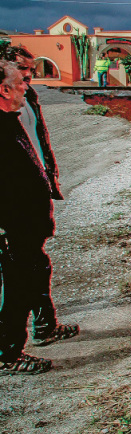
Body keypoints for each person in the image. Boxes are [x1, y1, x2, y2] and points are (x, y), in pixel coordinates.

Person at [4, 46, 78, 346]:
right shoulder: (6, 109)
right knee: (21, 271)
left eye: (32, 70)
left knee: (36, 263)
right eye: (23, 69)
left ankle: (45, 324)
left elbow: (37, 141)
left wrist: (47, 175)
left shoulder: (28, 97)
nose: (28, 77)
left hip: (34, 191)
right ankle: (11, 347)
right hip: (13, 206)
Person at [0, 61, 61, 374]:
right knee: (17, 287)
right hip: (12, 228)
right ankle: (7, 353)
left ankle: (44, 328)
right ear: (4, 90)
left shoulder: (10, 121)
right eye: (19, 82)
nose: (26, 86)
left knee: (35, 272)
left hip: (26, 225)